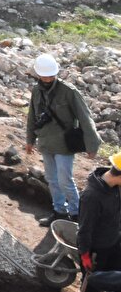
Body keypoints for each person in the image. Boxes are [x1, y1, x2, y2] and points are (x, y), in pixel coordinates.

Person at [25, 54, 100, 226]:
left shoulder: (69, 91)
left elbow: (85, 118)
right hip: (45, 142)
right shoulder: (36, 91)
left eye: (51, 75)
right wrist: (30, 140)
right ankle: (59, 211)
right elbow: (32, 116)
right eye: (45, 76)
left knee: (65, 180)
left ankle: (76, 214)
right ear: (38, 74)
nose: (48, 78)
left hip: (64, 144)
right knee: (52, 179)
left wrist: (92, 145)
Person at [78, 153, 121, 275]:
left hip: (114, 241)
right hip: (97, 250)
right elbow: (85, 229)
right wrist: (85, 255)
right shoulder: (91, 197)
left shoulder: (115, 187)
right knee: (94, 283)